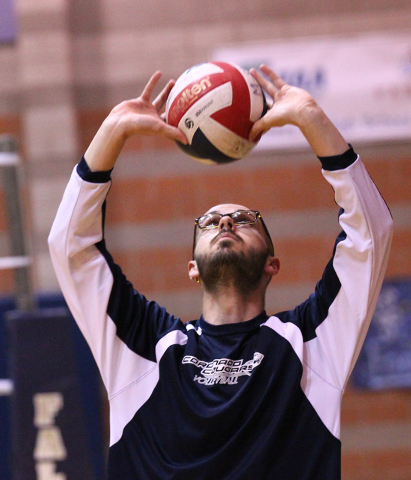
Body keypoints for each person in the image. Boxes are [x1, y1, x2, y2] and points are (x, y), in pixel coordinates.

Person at [48, 65, 393, 480]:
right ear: (192, 267)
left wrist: (313, 119)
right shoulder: (145, 346)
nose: (225, 224)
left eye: (245, 220)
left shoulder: (310, 344)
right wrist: (110, 133)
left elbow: (370, 237)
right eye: (209, 223)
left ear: (272, 263)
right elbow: (72, 250)